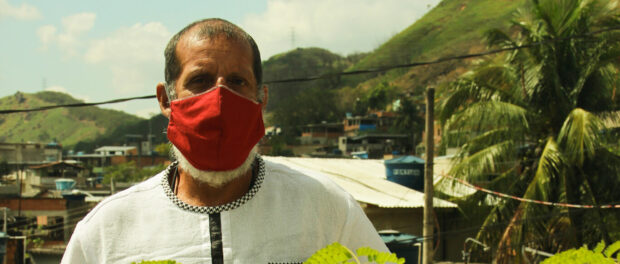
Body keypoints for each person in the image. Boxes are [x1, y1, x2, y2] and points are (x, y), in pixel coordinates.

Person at [61, 18, 387, 264]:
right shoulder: (106, 231)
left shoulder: (325, 208)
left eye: (237, 81)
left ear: (261, 98)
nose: (219, 98)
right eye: (200, 80)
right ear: (165, 99)